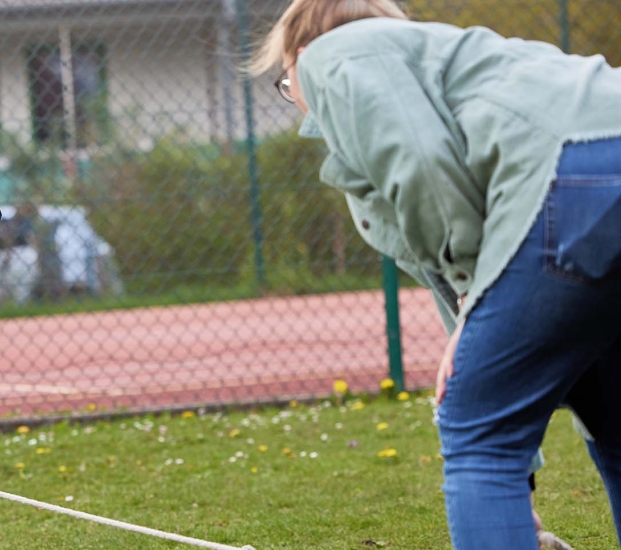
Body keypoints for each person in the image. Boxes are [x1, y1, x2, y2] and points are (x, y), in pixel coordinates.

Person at [252, 1, 621, 548]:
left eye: (287, 83)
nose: (300, 103)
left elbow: (423, 171)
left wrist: (497, 472)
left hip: (574, 172)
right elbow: (464, 286)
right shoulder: (451, 71)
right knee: (612, 416)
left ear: (300, 55)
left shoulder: (336, 56)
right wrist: (516, 485)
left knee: (478, 431)